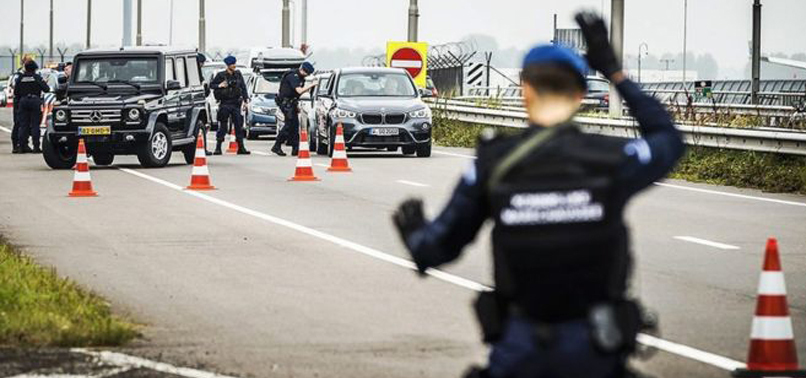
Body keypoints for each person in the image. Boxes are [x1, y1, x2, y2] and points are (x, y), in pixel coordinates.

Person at [392, 12, 684, 378]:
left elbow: (437, 248)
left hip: (521, 350)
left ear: (524, 89)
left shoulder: (494, 163)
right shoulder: (609, 158)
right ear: (580, 95)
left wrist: (417, 236)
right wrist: (614, 72)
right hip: (594, 349)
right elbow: (669, 141)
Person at [271, 62, 317, 156]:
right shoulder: (293, 76)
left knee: (295, 126)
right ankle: (277, 145)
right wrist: (311, 85)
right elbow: (299, 90)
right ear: (302, 70)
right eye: (307, 73)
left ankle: (295, 148)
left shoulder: (301, 78)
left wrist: (296, 105)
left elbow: (296, 94)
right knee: (288, 125)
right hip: (285, 103)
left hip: (292, 103)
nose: (307, 75)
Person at [210, 55, 250, 155]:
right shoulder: (221, 75)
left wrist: (246, 100)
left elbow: (243, 87)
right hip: (225, 103)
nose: (234, 66)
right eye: (232, 64)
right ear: (228, 65)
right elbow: (212, 85)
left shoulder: (238, 74)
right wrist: (220, 85)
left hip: (236, 103)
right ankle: (218, 147)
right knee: (223, 126)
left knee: (238, 126)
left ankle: (241, 147)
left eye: (234, 64)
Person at [14, 60, 50, 154]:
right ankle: (36, 147)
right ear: (35, 68)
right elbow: (46, 89)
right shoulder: (37, 77)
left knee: (23, 125)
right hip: (35, 101)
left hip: (23, 101)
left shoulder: (20, 78)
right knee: (35, 125)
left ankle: (21, 147)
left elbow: (15, 93)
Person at [9, 55, 34, 153]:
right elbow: (14, 86)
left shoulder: (31, 74)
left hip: (27, 101)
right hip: (19, 101)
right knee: (18, 123)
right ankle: (16, 145)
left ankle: (25, 143)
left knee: (27, 123)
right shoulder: (17, 75)